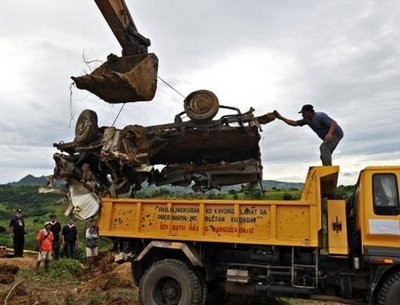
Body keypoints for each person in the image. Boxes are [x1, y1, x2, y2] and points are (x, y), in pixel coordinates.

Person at [274, 104, 343, 166]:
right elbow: (294, 123)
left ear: (309, 112)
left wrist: (329, 134)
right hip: (329, 136)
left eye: (303, 113)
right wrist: (281, 118)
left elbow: (333, 123)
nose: (302, 115)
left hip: (336, 133)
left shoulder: (320, 116)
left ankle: (328, 170)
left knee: (324, 148)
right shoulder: (306, 120)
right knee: (324, 154)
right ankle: (327, 170)